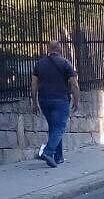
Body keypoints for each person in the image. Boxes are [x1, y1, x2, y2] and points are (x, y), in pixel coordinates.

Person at [31, 40, 79, 168]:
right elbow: (74, 84)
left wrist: (34, 102)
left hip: (44, 100)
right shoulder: (65, 63)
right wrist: (76, 100)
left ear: (48, 49)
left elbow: (34, 85)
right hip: (61, 100)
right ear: (60, 49)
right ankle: (48, 152)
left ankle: (58, 157)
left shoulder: (39, 64)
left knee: (54, 127)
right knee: (59, 127)